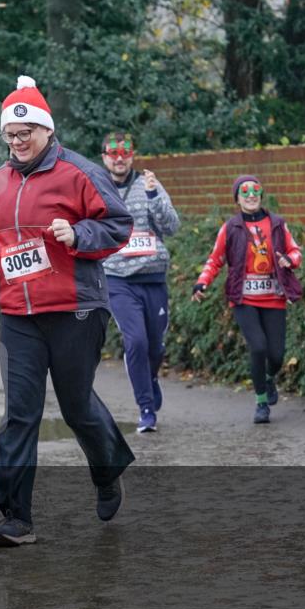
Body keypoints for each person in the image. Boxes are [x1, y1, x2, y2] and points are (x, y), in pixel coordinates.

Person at [0, 76, 135, 547]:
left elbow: (118, 223)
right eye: (10, 134)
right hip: (18, 313)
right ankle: (16, 518)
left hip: (74, 308)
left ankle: (107, 471)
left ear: (47, 128)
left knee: (76, 405)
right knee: (19, 413)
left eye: (26, 132)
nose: (18, 141)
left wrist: (79, 235)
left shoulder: (80, 172)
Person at [192, 175, 302, 424]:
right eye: (245, 192)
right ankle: (261, 403)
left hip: (274, 297)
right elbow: (216, 259)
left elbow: (295, 251)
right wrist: (202, 282)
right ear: (237, 199)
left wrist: (290, 260)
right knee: (258, 347)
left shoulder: (277, 223)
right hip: (244, 299)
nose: (251, 196)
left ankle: (269, 378)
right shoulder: (230, 228)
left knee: (277, 355)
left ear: (261, 195)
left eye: (255, 191)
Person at [100, 132, 180, 433]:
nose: (119, 158)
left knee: (155, 346)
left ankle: (151, 377)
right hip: (117, 279)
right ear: (104, 157)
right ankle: (146, 409)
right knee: (136, 341)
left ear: (132, 155)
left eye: (125, 153)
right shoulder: (96, 188)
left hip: (153, 277)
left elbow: (171, 226)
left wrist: (153, 196)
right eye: (113, 153)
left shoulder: (149, 184)